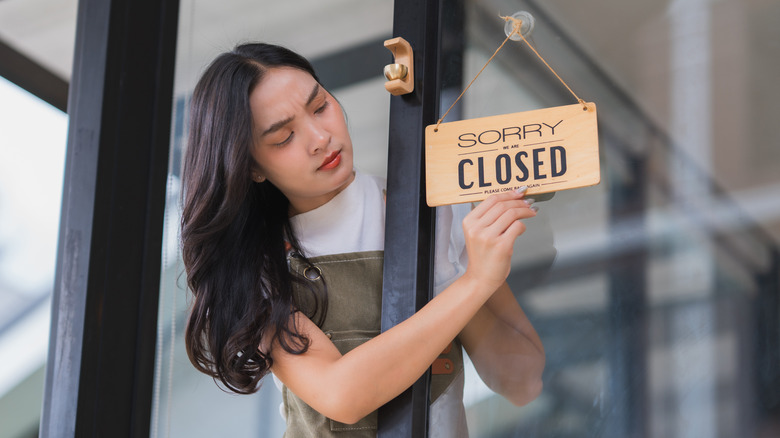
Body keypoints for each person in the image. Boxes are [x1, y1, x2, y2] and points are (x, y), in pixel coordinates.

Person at [181, 42, 545, 437]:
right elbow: (343, 394)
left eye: (320, 107)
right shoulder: (260, 271)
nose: (320, 136)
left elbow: (523, 383)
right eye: (284, 136)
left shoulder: (437, 214)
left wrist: (458, 274)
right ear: (251, 166)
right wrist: (474, 283)